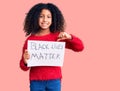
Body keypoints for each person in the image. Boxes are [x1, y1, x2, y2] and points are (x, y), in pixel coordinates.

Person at [20, 3, 84, 91]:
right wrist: (25, 61)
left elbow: (80, 47)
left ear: (53, 19)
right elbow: (23, 67)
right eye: (41, 16)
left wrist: (70, 37)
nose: (45, 19)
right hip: (36, 82)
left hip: (54, 81)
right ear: (35, 18)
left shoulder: (58, 36)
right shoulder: (30, 40)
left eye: (48, 17)